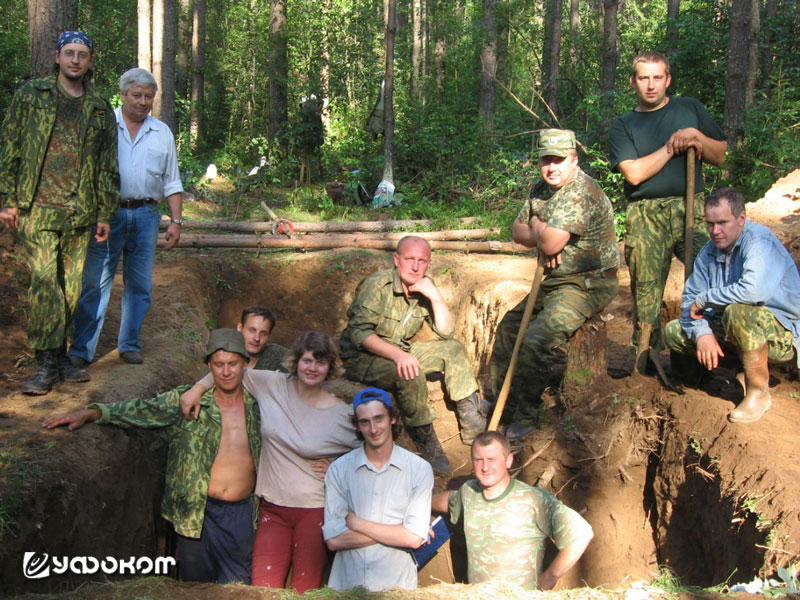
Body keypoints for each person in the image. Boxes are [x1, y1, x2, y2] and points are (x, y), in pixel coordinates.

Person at [41, 329, 261, 584]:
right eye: (219, 364)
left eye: (233, 364)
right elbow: (143, 409)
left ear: (245, 363)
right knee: (195, 587)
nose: (226, 372)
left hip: (241, 514)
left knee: (239, 586)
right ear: (208, 366)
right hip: (194, 514)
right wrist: (92, 413)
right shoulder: (187, 402)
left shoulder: (259, 405)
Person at [180, 330, 359, 592]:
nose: (312, 368)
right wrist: (197, 389)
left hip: (314, 509)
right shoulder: (272, 384)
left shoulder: (342, 414)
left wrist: (339, 468)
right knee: (261, 589)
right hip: (271, 508)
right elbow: (229, 368)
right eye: (307, 360)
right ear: (296, 362)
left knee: (304, 590)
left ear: (330, 368)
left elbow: (373, 450)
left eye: (321, 362)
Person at [0, 30, 118, 394]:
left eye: (82, 54)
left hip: (79, 212)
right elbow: (11, 143)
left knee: (70, 288)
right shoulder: (31, 95)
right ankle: (46, 362)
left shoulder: (99, 107)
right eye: (69, 53)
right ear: (57, 57)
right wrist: (8, 197)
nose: (75, 60)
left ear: (90, 62)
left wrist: (104, 212)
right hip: (37, 207)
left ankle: (62, 353)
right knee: (45, 283)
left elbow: (106, 164)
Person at [489, 129, 619, 441]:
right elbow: (517, 231)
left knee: (535, 340)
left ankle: (528, 413)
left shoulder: (580, 191)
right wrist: (540, 231)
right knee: (508, 328)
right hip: (554, 280)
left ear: (574, 160)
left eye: (559, 160)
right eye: (546, 160)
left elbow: (548, 243)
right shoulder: (541, 188)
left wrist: (538, 231)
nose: (552, 167)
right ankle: (502, 404)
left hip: (587, 284)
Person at [609, 51, 727, 354]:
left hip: (694, 209)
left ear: (668, 80)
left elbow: (719, 155)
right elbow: (634, 174)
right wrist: (673, 145)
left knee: (712, 277)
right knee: (646, 292)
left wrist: (695, 135)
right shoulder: (623, 125)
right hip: (647, 214)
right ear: (633, 82)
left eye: (657, 78)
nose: (651, 85)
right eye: (644, 78)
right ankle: (647, 356)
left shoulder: (690, 109)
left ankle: (709, 349)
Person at [339, 235, 486, 475]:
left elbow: (446, 332)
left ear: (429, 263)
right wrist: (398, 356)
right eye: (409, 259)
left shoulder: (423, 288)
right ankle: (425, 437)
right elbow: (360, 334)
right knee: (410, 372)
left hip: (400, 350)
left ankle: (472, 424)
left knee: (454, 349)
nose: (415, 267)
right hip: (363, 358)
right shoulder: (377, 285)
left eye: (422, 260)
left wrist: (435, 296)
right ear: (397, 260)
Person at [69, 68, 183, 367]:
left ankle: (129, 343)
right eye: (137, 95)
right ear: (122, 95)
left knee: (140, 284)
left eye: (149, 97)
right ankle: (81, 350)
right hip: (107, 214)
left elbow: (172, 180)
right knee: (96, 282)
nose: (143, 102)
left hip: (147, 215)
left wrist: (176, 220)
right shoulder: (105, 126)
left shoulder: (162, 133)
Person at [664, 187, 800, 423]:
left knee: (738, 312)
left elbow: (753, 291)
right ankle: (706, 380)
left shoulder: (759, 242)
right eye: (710, 224)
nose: (715, 231)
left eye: (723, 223)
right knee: (674, 331)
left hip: (782, 334)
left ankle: (758, 392)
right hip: (735, 329)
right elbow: (689, 301)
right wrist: (703, 334)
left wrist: (707, 299)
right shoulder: (708, 253)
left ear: (741, 219)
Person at [431, 431, 594, 590]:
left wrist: (549, 577)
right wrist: (420, 506)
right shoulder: (468, 493)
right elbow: (448, 500)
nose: (485, 467)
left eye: (492, 459)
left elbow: (582, 534)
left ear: (508, 461)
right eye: (479, 460)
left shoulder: (533, 500)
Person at [322, 387, 434, 591]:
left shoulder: (419, 469)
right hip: (346, 586)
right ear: (357, 425)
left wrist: (356, 523)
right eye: (365, 422)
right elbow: (334, 540)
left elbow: (414, 539)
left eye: (379, 418)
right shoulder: (339, 469)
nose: (373, 429)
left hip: (397, 588)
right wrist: (398, 532)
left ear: (392, 418)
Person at [237, 305, 287, 370]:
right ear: (240, 328)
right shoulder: (224, 354)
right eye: (252, 330)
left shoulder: (277, 355)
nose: (257, 338)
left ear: (269, 335)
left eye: (263, 333)